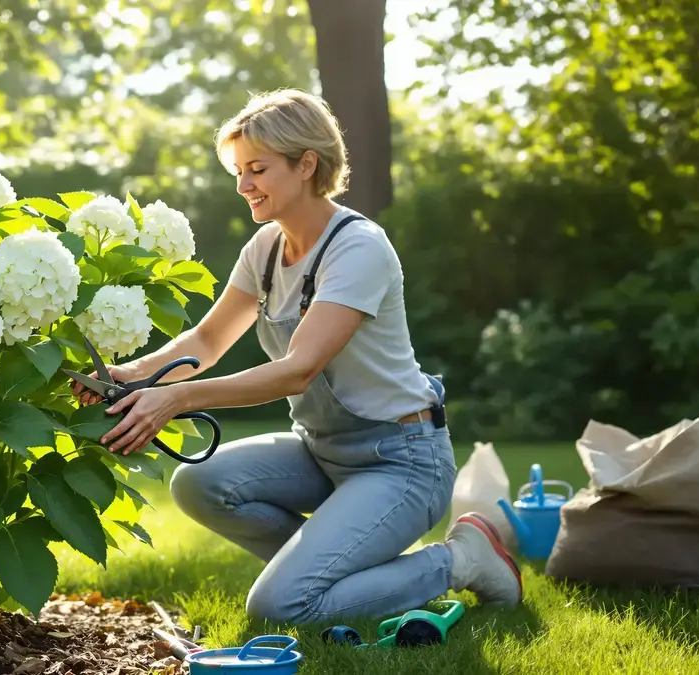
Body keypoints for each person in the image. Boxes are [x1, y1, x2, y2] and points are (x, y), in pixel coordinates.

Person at [73, 89, 522, 625]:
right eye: (239, 171)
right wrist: (131, 374)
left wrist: (174, 399)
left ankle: (461, 559)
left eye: (257, 169)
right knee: (198, 483)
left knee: (280, 606)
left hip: (401, 460)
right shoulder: (264, 250)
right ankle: (350, 578)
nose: (243, 186)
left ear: (306, 164)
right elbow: (207, 342)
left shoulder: (358, 248)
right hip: (322, 452)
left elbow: (298, 369)